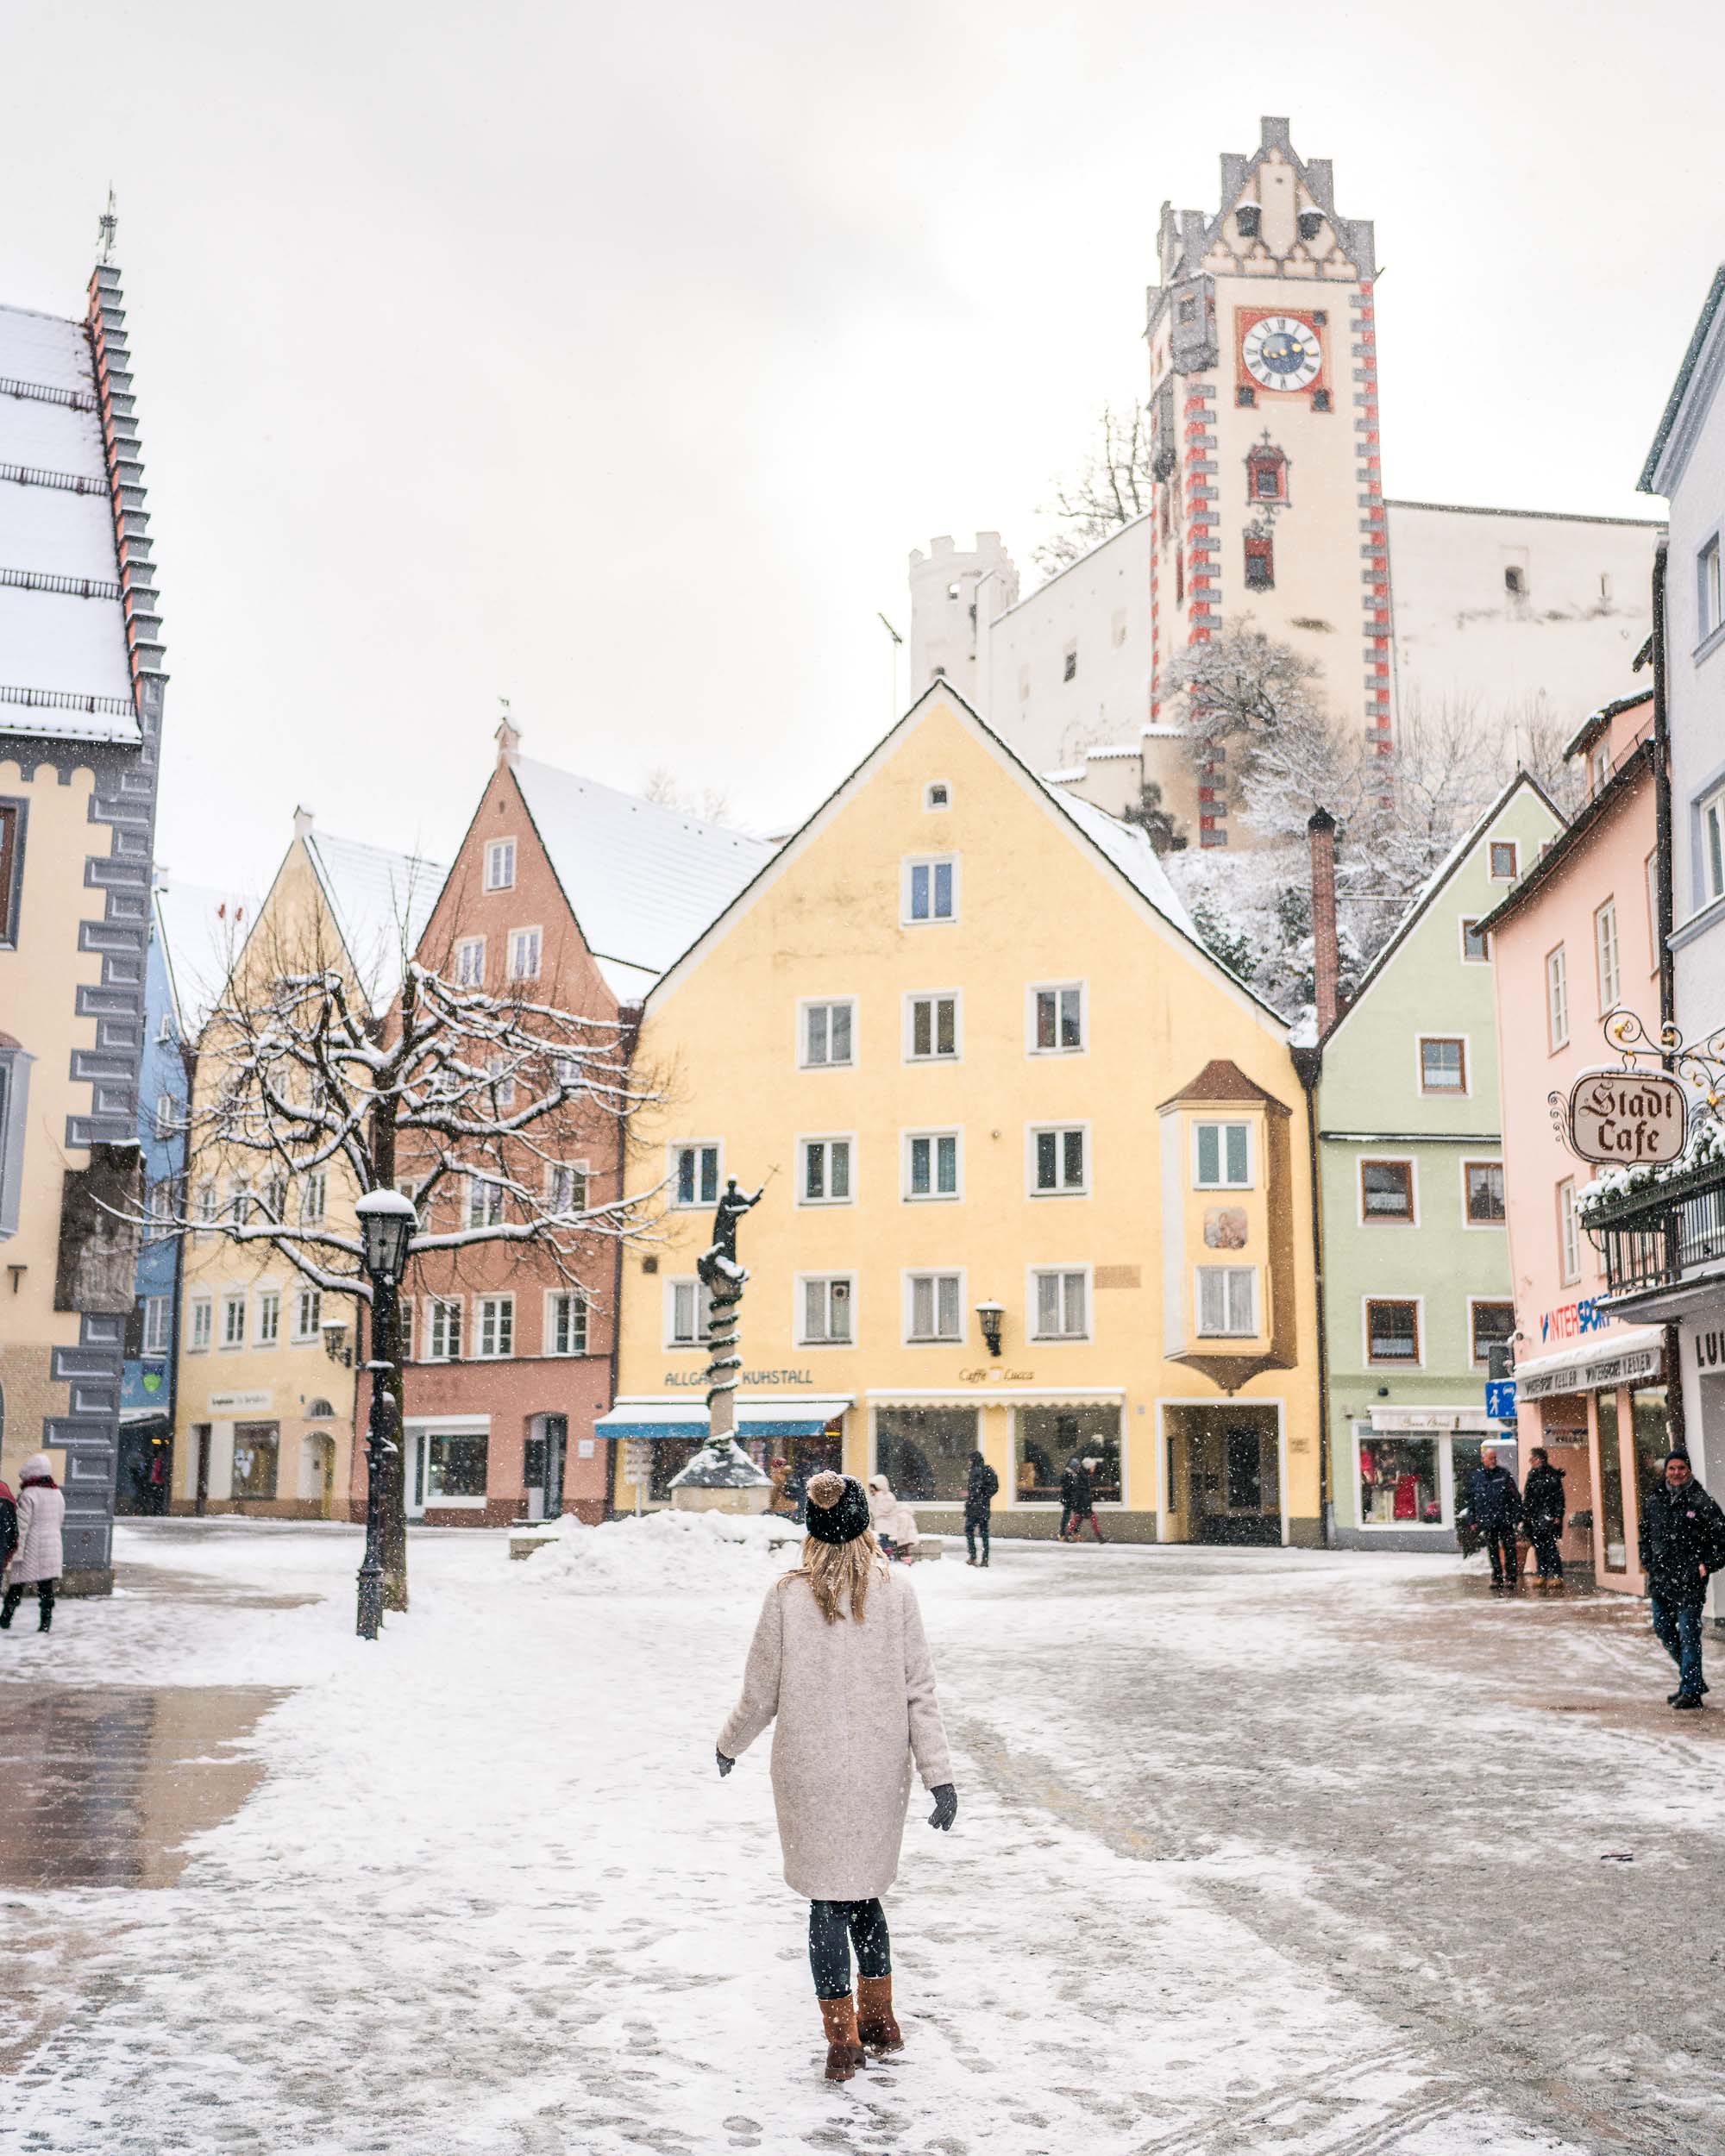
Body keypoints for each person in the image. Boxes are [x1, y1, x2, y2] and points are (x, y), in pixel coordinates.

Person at [716, 1470, 956, 2081]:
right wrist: (938, 1776)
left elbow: (759, 1694)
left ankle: (842, 2040)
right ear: (866, 1524)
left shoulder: (786, 1596)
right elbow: (919, 1695)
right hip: (879, 1770)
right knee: (866, 1895)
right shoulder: (897, 1592)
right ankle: (881, 2022)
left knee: (827, 1900)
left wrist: (729, 1743)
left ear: (811, 1529)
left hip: (808, 1771)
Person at [1639, 1451, 1725, 1710]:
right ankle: (1693, 1681)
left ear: (1689, 1470)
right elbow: (1644, 1536)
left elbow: (1721, 1541)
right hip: (1661, 1581)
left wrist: (1705, 1565)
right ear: (1665, 1471)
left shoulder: (1702, 1502)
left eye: (1681, 1468)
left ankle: (1691, 1690)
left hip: (1689, 1583)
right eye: (1672, 1468)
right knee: (1664, 1630)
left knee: (1689, 1636)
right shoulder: (1655, 1500)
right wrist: (1649, 1562)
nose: (1676, 1472)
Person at [2, 1454, 66, 1634]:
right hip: (52, 1546)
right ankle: (45, 1623)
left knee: (16, 1586)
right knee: (46, 1588)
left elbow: (21, 1527)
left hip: (31, 1547)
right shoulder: (57, 1493)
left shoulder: (29, 1494)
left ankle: (5, 1619)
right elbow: (60, 1520)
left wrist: (14, 1551)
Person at [1468, 1445, 1523, 1590]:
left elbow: (1515, 1497)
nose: (1493, 1461)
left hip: (1504, 1519)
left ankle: (1511, 1578)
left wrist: (1517, 1517)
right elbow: (1472, 1500)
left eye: (1494, 1458)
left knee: (1509, 1549)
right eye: (1490, 1458)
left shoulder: (1504, 1475)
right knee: (1492, 1550)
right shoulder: (1477, 1477)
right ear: (1483, 1459)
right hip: (1488, 1520)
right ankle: (1497, 1577)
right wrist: (1472, 1520)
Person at [1521, 1446, 1567, 1587]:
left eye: (1532, 1458)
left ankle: (1556, 1575)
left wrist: (1557, 1515)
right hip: (1535, 1517)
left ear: (1539, 1459)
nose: (1530, 1461)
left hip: (1549, 1517)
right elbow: (1528, 1497)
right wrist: (1526, 1515)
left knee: (1550, 1546)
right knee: (1539, 1546)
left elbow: (1559, 1498)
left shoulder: (1552, 1476)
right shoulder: (1532, 1475)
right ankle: (1542, 1574)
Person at [866, 1473, 919, 1562]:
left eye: (874, 1488)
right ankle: (888, 1555)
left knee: (889, 1541)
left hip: (888, 1523)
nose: (872, 1491)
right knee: (885, 1540)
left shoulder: (888, 1496)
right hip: (883, 1524)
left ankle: (889, 1556)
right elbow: (873, 1509)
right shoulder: (874, 1498)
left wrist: (878, 1499)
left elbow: (885, 1509)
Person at [1061, 1453, 1107, 1545]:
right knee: (1090, 1518)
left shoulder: (1082, 1475)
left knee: (1078, 1518)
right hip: (1084, 1501)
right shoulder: (1084, 1476)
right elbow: (1083, 1488)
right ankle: (1099, 1537)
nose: (1094, 1468)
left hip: (1082, 1501)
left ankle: (1068, 1535)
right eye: (1093, 1467)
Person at [963, 1451, 998, 1568]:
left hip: (975, 1507)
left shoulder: (976, 1471)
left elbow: (975, 1491)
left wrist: (977, 1496)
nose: (968, 1462)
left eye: (970, 1460)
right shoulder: (987, 1470)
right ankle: (984, 1558)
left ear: (973, 1460)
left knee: (970, 1531)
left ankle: (973, 1557)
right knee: (984, 1533)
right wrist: (985, 1496)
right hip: (983, 1507)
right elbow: (994, 1487)